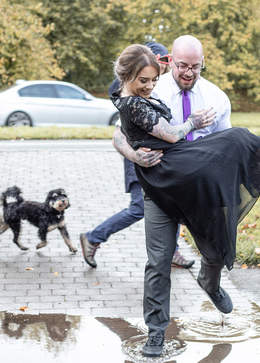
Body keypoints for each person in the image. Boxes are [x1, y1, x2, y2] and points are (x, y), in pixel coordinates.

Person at [111, 40, 260, 357]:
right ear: (170, 61)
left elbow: (239, 154)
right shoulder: (147, 83)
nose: (188, 72)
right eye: (182, 65)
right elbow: (118, 131)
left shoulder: (216, 97)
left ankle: (211, 282)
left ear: (203, 63)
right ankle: (156, 333)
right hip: (161, 189)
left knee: (216, 254)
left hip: (203, 187)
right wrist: (133, 153)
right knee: (158, 264)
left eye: (195, 66)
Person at [80, 42, 195, 270]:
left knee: (168, 204)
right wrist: (134, 156)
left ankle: (172, 251)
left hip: (163, 159)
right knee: (139, 207)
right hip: (141, 157)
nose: (168, 67)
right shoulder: (133, 90)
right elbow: (119, 131)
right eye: (165, 61)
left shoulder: (160, 85)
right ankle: (93, 237)